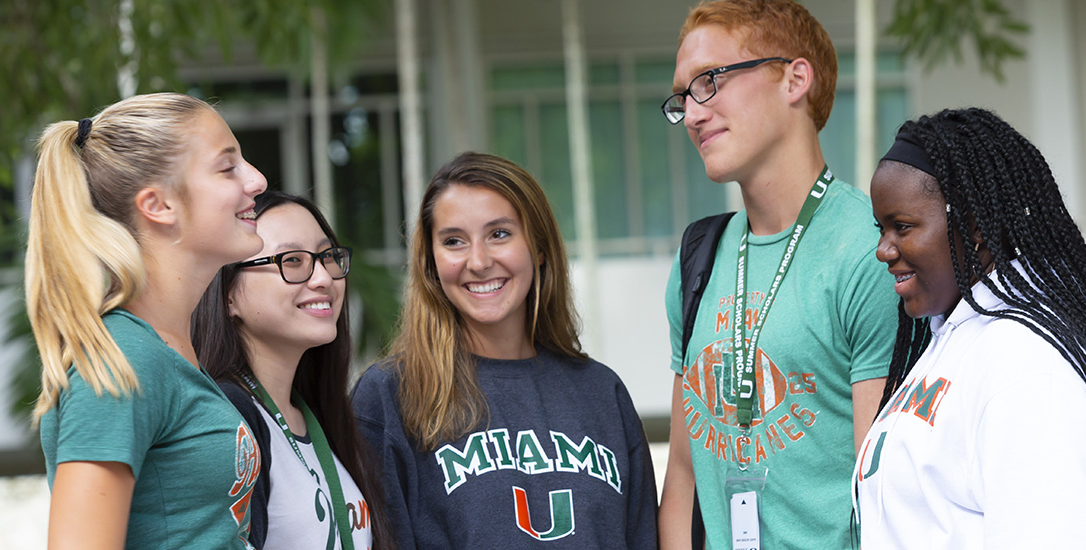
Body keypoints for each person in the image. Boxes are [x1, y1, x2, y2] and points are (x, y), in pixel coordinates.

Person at [657, 1, 898, 548]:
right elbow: (683, 475)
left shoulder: (867, 251)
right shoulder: (699, 257)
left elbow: (881, 490)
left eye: (709, 82)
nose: (692, 114)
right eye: (683, 96)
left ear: (794, 79)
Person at [855, 107, 1086, 548]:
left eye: (902, 227)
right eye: (881, 228)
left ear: (974, 229)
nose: (883, 250)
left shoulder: (1026, 365)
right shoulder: (955, 336)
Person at [352, 152, 658, 549]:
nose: (478, 261)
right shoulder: (389, 396)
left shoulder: (602, 393)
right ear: (430, 263)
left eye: (499, 234)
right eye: (453, 241)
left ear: (540, 248)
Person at [27, 93, 267, 548]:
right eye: (227, 167)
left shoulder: (164, 346)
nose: (257, 180)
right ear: (159, 205)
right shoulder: (127, 357)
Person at [192, 190, 393, 550]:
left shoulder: (317, 415)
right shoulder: (228, 415)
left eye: (326, 256)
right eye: (293, 260)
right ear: (227, 294)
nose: (322, 279)